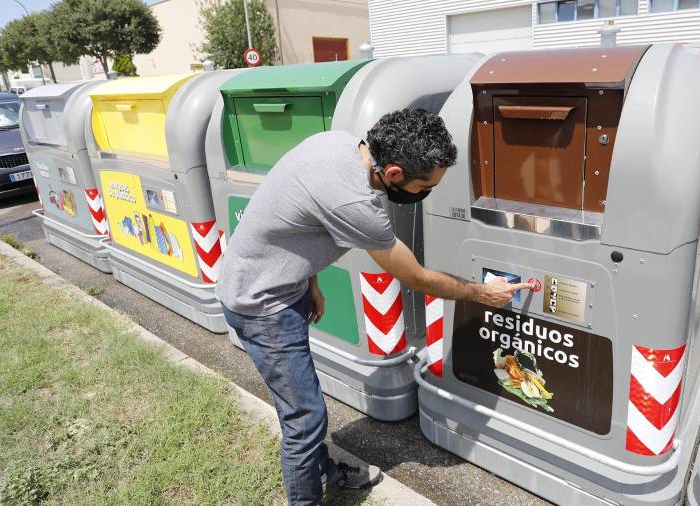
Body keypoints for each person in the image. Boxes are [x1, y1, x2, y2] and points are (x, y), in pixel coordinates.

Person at [216, 108, 533, 505]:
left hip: (277, 282)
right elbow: (416, 278)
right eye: (425, 187)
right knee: (305, 419)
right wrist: (482, 294)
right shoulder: (355, 204)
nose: (425, 195)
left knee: (299, 404)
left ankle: (325, 471)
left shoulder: (337, 143)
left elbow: (299, 218)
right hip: (263, 306)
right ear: (395, 174)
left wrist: (309, 279)